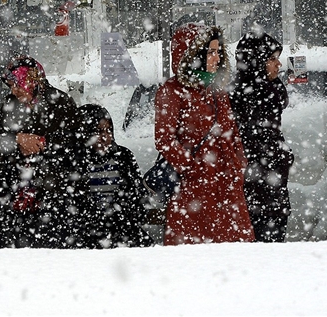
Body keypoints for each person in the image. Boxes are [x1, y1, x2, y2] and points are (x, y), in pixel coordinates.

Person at [154, 22, 255, 245]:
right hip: (193, 189)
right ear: (192, 55)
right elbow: (164, 139)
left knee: (234, 254)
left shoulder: (216, 89)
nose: (216, 58)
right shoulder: (172, 91)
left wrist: (239, 165)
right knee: (194, 256)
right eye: (210, 52)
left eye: (218, 51)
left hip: (227, 187)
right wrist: (191, 168)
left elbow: (232, 132)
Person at [0, 56, 79, 248]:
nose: (14, 90)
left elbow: (73, 144)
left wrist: (42, 143)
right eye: (11, 85)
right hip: (16, 201)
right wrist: (17, 139)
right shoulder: (9, 106)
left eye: (18, 84)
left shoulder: (60, 103)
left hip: (53, 198)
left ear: (33, 80)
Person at [229, 31, 295, 242]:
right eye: (272, 59)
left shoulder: (268, 90)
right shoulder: (248, 97)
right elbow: (256, 144)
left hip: (270, 190)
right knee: (263, 243)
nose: (279, 65)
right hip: (258, 192)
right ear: (257, 62)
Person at [67, 104, 154, 249]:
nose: (104, 137)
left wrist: (120, 214)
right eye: (98, 132)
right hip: (87, 234)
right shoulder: (75, 162)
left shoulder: (123, 157)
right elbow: (73, 207)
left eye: (108, 131)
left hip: (122, 229)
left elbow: (138, 197)